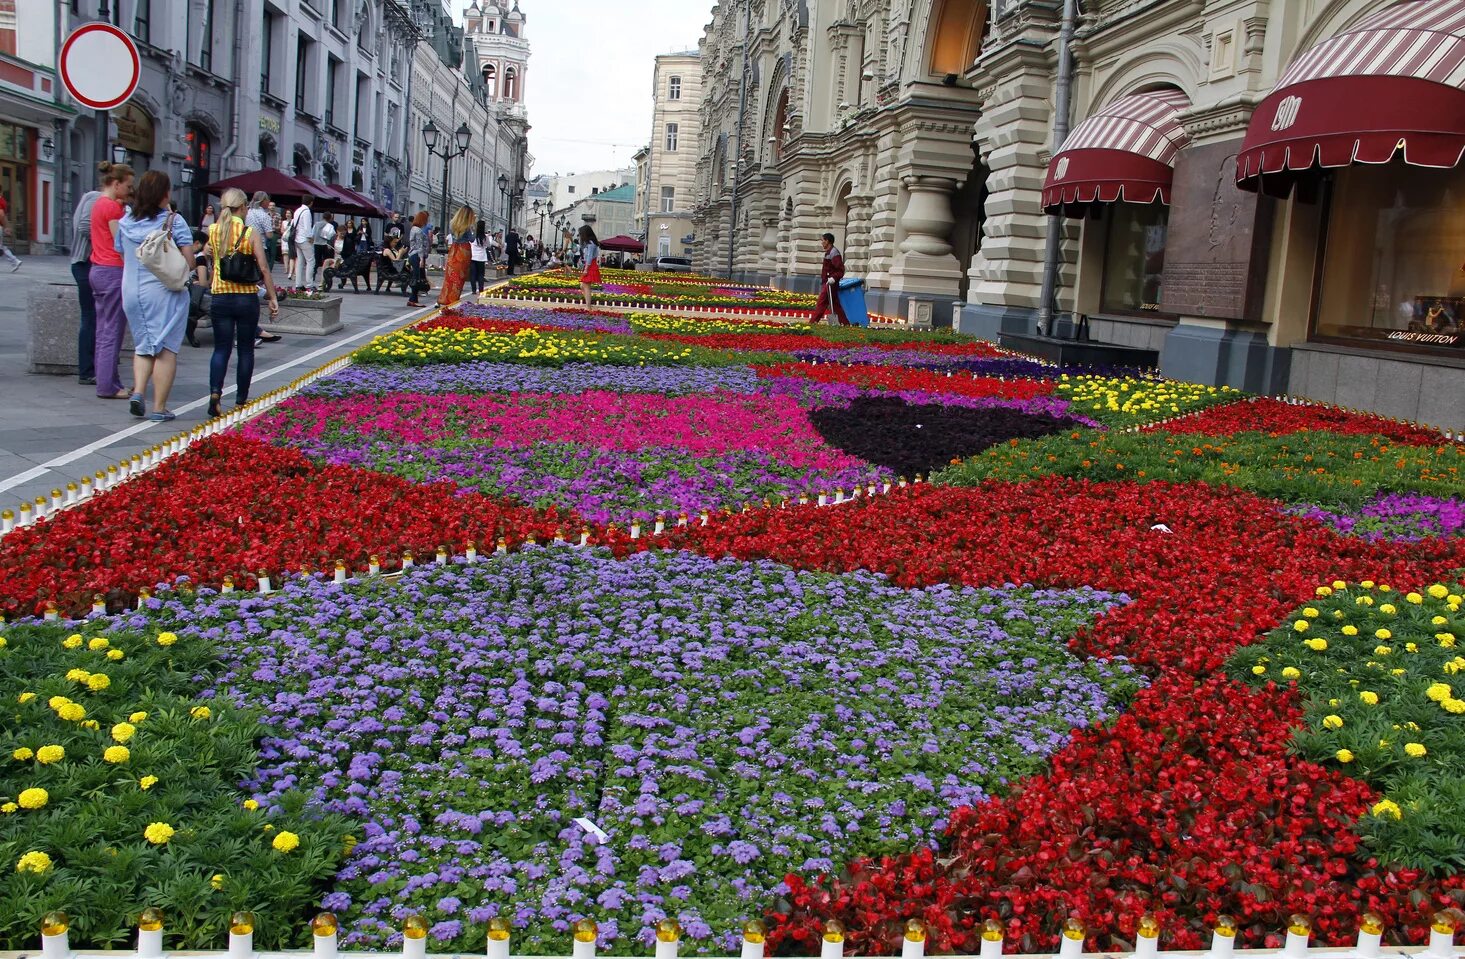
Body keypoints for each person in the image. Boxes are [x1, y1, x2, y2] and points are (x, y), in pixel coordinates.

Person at [116, 170, 197, 422]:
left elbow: (122, 254)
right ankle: (159, 407)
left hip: (131, 290)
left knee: (143, 345)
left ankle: (138, 392)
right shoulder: (174, 221)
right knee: (166, 349)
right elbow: (189, 261)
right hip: (165, 292)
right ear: (164, 194)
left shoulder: (125, 221)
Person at [203, 187, 280, 418]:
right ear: (243, 207)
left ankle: (215, 394)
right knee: (246, 349)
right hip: (246, 298)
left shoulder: (214, 230)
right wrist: (272, 296)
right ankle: (241, 399)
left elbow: (210, 254)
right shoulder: (249, 233)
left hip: (220, 298)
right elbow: (264, 267)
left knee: (221, 349)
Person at [89, 161, 136, 401]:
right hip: (113, 271)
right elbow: (121, 244)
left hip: (98, 269)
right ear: (115, 184)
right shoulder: (112, 208)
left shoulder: (98, 204)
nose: (130, 190)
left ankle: (107, 381)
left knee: (103, 330)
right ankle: (108, 385)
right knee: (112, 332)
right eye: (128, 185)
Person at [70, 179, 103, 384]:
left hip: (86, 263)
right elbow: (84, 226)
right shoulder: (94, 198)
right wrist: (106, 238)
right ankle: (86, 370)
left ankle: (92, 366)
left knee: (93, 317)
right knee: (90, 317)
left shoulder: (91, 198)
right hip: (84, 262)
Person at [436, 206, 476, 307]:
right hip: (463, 252)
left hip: (454, 250)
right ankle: (454, 299)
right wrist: (474, 228)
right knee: (460, 277)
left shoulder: (452, 224)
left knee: (450, 276)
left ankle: (444, 299)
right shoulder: (467, 227)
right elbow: (472, 239)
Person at [809, 232, 849, 326]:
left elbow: (840, 270)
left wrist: (833, 278)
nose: (822, 242)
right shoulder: (829, 252)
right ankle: (845, 324)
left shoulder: (834, 253)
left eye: (823, 240)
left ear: (827, 241)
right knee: (835, 306)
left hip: (830, 284)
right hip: (828, 283)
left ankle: (812, 323)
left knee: (821, 303)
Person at [405, 210, 431, 308]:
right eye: (425, 220)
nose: (426, 222)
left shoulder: (413, 229)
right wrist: (421, 259)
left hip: (412, 254)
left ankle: (413, 299)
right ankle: (413, 299)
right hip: (417, 256)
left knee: (416, 277)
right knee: (416, 278)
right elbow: (419, 246)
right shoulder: (419, 231)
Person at [290, 196, 315, 289]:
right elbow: (307, 227)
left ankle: (298, 284)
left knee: (300, 262)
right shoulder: (307, 211)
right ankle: (310, 284)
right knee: (311, 261)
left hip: (297, 238)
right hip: (304, 239)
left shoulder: (297, 210)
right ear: (311, 202)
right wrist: (310, 237)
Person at [578, 224, 601, 308]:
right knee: (583, 286)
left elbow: (589, 257)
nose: (580, 236)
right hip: (590, 265)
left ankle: (588, 306)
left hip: (590, 265)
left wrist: (586, 269)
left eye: (581, 234)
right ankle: (588, 305)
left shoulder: (591, 244)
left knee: (586, 286)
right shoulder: (590, 243)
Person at [0, 191, 21, 272]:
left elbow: (1, 214)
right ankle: (15, 261)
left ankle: (15, 261)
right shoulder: (3, 201)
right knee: (1, 247)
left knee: (1, 247)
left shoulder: (0, 201)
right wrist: (6, 226)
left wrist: (6, 226)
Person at [469, 219, 489, 294]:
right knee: (481, 274)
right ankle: (481, 290)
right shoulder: (485, 237)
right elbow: (488, 245)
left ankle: (473, 290)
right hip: (481, 257)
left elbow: (470, 243)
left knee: (473, 274)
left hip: (473, 256)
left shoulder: (473, 235)